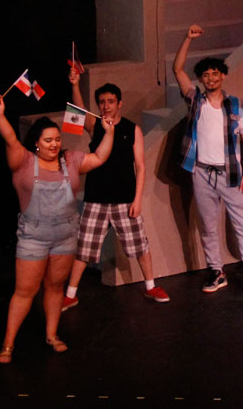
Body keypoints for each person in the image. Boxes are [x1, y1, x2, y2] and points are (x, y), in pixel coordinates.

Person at [0, 97, 114, 363]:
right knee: (25, 291)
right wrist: (0, 115)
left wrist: (109, 132)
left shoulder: (70, 160)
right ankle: (8, 344)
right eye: (48, 140)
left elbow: (100, 157)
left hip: (65, 235)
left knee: (55, 287)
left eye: (57, 139)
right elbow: (11, 139)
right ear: (36, 142)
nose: (54, 144)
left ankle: (52, 335)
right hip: (33, 236)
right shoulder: (22, 161)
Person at [172, 24, 243, 301]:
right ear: (201, 79)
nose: (211, 77)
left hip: (232, 174)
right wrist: (187, 38)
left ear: (223, 76)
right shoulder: (195, 100)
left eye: (215, 73)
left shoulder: (235, 104)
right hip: (202, 173)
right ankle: (217, 271)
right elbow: (178, 70)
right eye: (206, 74)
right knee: (208, 225)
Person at [63, 69, 169, 308]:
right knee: (84, 247)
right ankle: (70, 294)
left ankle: (151, 287)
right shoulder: (94, 125)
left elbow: (140, 167)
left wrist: (138, 199)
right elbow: (78, 111)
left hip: (124, 199)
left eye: (110, 101)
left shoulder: (132, 130)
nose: (106, 106)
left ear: (119, 103)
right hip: (96, 199)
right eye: (102, 102)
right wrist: (76, 84)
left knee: (139, 245)